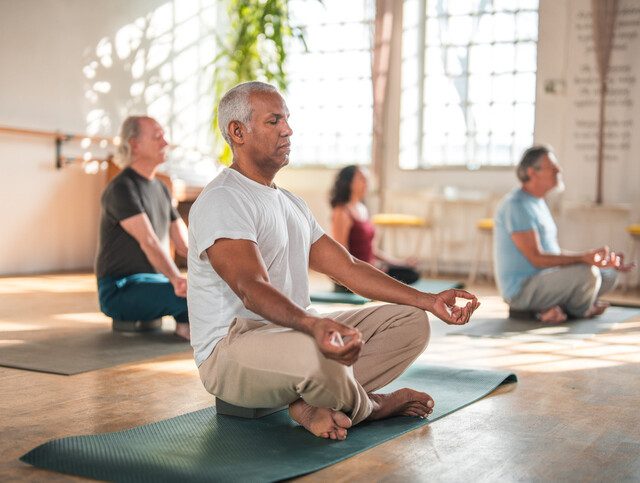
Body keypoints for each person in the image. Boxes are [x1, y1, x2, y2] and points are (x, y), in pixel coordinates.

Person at [188, 81, 480, 441]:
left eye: (287, 120)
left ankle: (310, 401)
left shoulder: (291, 203)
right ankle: (369, 407)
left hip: (293, 336)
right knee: (320, 354)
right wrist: (312, 325)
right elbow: (252, 288)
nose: (288, 129)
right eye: (274, 121)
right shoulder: (224, 199)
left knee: (411, 322)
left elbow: (350, 268)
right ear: (238, 132)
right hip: (231, 350)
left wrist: (429, 301)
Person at [493, 145, 634, 323]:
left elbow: (552, 252)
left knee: (608, 272)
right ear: (532, 172)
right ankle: (579, 310)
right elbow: (537, 258)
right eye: (552, 167)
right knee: (587, 273)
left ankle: (556, 308)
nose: (559, 170)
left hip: (546, 279)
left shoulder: (538, 202)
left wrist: (597, 261)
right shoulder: (517, 205)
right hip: (522, 290)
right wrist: (583, 259)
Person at [95, 116, 190, 340]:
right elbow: (149, 241)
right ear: (135, 144)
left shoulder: (161, 189)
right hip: (120, 289)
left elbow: (185, 245)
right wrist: (177, 280)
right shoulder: (121, 188)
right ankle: (187, 327)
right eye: (158, 137)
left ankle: (188, 323)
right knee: (194, 297)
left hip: (154, 282)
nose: (165, 143)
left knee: (209, 292)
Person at [330, 165, 420, 290]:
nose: (366, 183)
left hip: (370, 269)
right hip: (354, 275)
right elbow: (341, 253)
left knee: (411, 272)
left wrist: (399, 262)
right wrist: (371, 269)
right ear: (348, 182)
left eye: (367, 179)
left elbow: (371, 249)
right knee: (404, 277)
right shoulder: (342, 212)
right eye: (362, 179)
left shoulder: (362, 209)